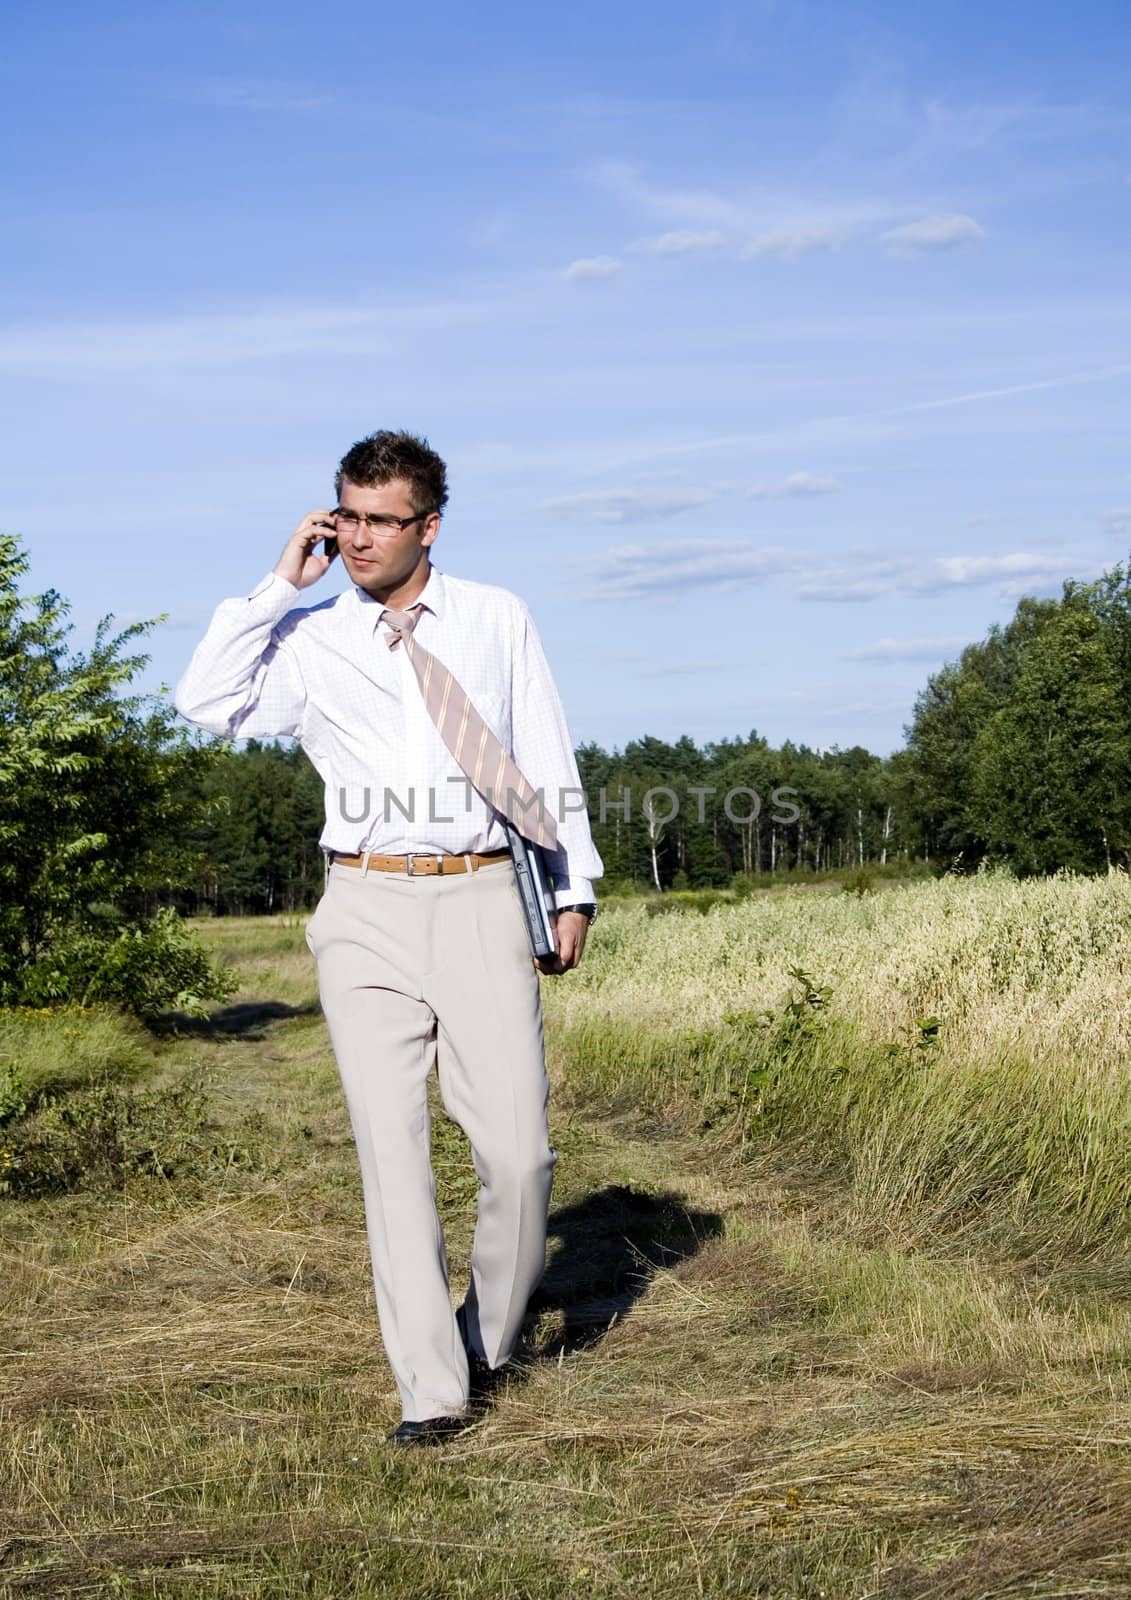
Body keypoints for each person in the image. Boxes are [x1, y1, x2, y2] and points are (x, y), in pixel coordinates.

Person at [173, 430, 603, 1445]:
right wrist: (279, 586)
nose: (359, 537)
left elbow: (544, 748)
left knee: (520, 1153)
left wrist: (572, 886)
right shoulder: (310, 640)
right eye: (346, 516)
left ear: (429, 525)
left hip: (482, 896)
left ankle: (487, 1337)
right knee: (391, 1154)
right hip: (362, 908)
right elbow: (203, 700)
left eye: (380, 519)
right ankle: (432, 1389)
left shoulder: (497, 619)